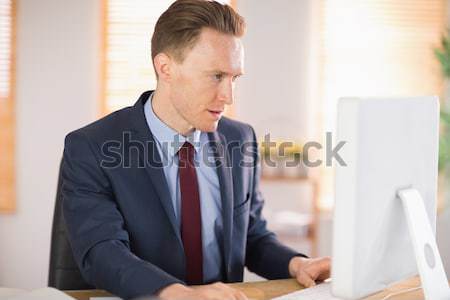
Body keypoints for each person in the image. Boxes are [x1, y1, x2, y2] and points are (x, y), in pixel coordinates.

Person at [62, 1, 330, 299]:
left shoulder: (239, 139)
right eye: (216, 76)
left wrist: (296, 264)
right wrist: (176, 293)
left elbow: (251, 236)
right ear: (165, 68)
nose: (228, 96)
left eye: (234, 78)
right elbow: (102, 251)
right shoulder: (93, 147)